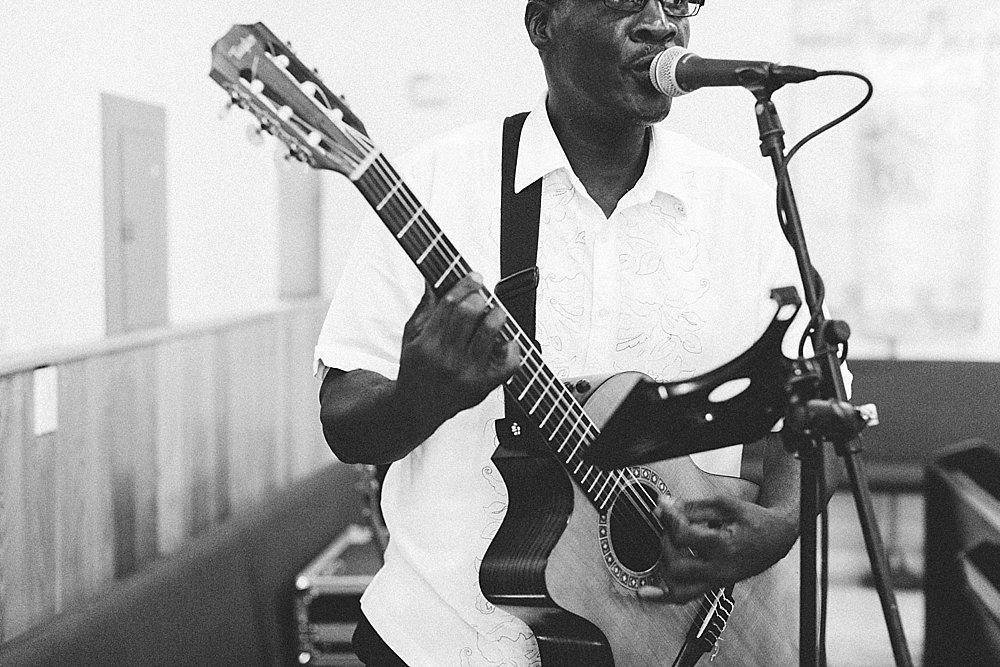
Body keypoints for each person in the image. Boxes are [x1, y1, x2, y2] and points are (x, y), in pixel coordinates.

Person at [315, 1, 847, 665]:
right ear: (543, 24)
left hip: (688, 639)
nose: (660, 22)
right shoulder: (432, 186)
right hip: (440, 642)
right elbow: (344, 420)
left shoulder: (742, 208)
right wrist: (420, 397)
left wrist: (780, 523)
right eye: (625, 0)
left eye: (677, 1)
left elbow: (819, 411)